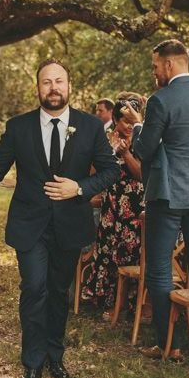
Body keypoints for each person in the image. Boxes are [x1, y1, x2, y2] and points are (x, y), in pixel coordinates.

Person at [0, 59, 119, 378]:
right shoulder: (18, 127)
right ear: (38, 88)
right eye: (47, 82)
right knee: (34, 288)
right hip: (30, 224)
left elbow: (111, 171)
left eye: (59, 81)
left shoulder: (90, 126)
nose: (53, 88)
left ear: (69, 86)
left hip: (70, 223)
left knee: (58, 292)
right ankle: (32, 364)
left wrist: (79, 187)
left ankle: (55, 355)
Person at [121, 39, 189, 361]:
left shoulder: (161, 99)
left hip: (167, 193)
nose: (154, 72)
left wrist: (138, 126)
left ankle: (170, 344)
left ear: (168, 64)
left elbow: (144, 149)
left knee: (159, 268)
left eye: (155, 66)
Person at [81, 97, 145, 317]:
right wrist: (108, 154)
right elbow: (90, 173)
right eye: (125, 121)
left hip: (135, 206)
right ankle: (109, 302)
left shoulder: (142, 140)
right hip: (111, 205)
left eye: (133, 121)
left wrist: (126, 154)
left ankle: (133, 303)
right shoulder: (105, 140)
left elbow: (142, 174)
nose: (129, 126)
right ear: (116, 120)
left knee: (132, 252)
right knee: (108, 252)